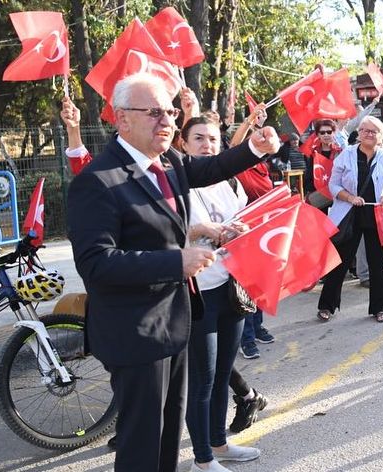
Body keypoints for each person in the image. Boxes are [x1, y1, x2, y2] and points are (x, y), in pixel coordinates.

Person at [67, 73, 280, 472]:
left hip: (175, 322)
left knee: (167, 438)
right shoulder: (97, 180)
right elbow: (95, 262)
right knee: (141, 445)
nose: (167, 120)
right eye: (154, 112)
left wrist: (254, 146)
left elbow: (212, 167)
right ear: (122, 119)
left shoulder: (168, 162)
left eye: (168, 111)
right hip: (135, 331)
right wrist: (176, 261)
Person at [180, 117, 262, 472]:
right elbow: (163, 232)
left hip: (233, 287)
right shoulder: (177, 181)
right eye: (198, 138)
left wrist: (240, 228)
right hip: (199, 291)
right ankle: (202, 459)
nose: (206, 145)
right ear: (183, 144)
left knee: (224, 370)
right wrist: (203, 230)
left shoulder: (229, 182)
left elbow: (242, 221)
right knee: (203, 380)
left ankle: (218, 442)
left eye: (213, 139)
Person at [317, 116, 383, 323]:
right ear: (359, 133)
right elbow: (334, 186)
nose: (368, 134)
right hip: (349, 214)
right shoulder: (346, 155)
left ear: (381, 136)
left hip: (376, 215)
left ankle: (381, 308)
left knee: (378, 263)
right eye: (364, 130)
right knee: (340, 263)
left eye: (373, 131)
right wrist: (350, 198)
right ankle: (327, 306)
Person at [227, 102, 276, 360]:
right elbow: (236, 146)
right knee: (245, 285)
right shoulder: (241, 163)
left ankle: (257, 327)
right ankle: (246, 339)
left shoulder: (262, 165)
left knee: (260, 282)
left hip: (262, 228)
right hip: (243, 230)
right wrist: (249, 121)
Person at [304, 119, 342, 210]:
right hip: (319, 197)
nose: (326, 135)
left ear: (334, 133)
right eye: (322, 132)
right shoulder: (313, 154)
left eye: (329, 132)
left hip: (337, 197)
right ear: (318, 135)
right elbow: (308, 177)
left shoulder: (341, 153)